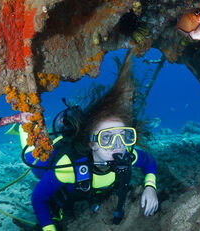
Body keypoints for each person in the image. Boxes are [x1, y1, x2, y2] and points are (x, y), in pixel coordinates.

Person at [24, 50, 158, 231]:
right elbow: (38, 199)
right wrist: (49, 229)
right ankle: (24, 126)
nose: (118, 144)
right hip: (50, 160)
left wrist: (150, 187)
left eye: (124, 136)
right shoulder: (69, 168)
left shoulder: (127, 154)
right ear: (92, 143)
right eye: (107, 138)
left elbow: (149, 162)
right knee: (35, 164)